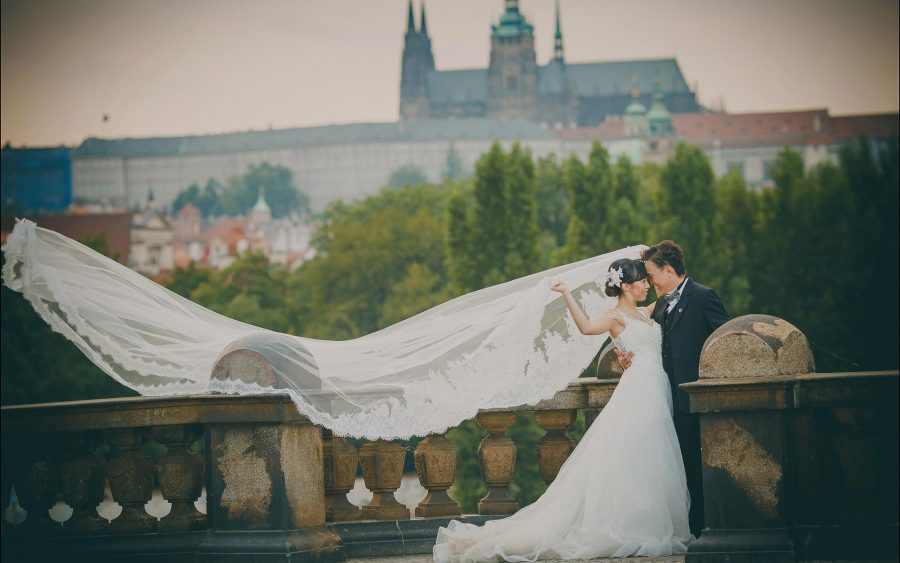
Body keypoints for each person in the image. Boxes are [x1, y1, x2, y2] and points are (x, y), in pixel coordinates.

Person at [433, 258, 694, 562]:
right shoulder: (615, 317)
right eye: (641, 281)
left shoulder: (647, 312)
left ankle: (650, 520)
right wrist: (567, 293)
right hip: (638, 391)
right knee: (635, 453)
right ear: (625, 286)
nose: (647, 284)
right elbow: (585, 328)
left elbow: (671, 296)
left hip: (655, 387)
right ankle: (631, 525)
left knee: (652, 456)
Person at [617, 240, 729, 536]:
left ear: (668, 270)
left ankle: (707, 531)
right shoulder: (662, 303)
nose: (650, 282)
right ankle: (688, 530)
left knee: (699, 469)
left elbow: (725, 342)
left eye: (652, 276)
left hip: (696, 398)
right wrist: (624, 352)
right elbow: (639, 332)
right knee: (676, 471)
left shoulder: (704, 297)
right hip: (665, 400)